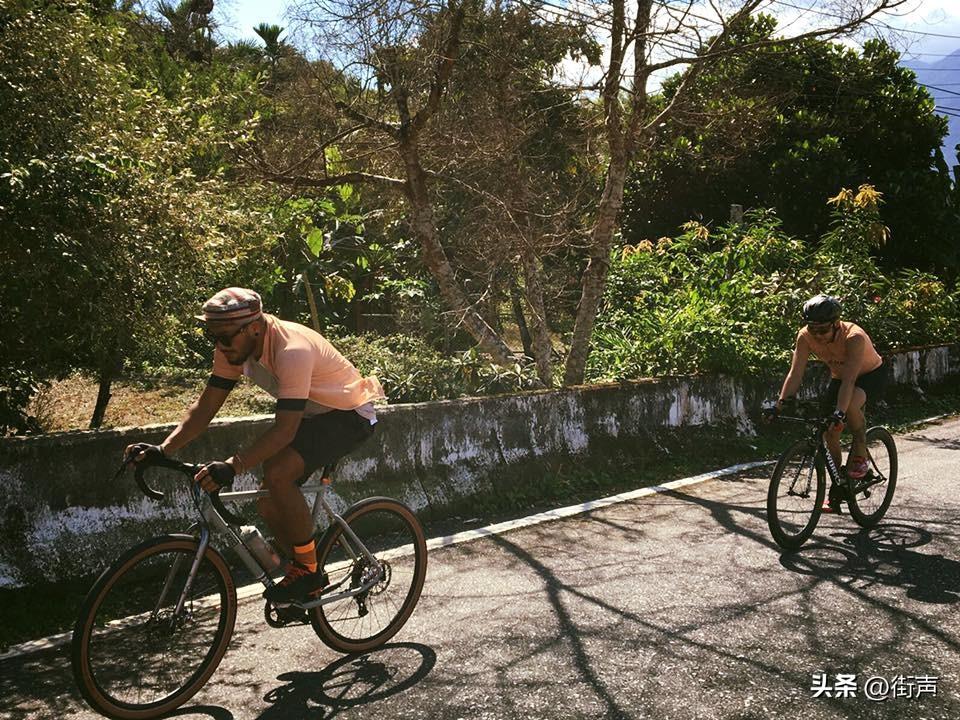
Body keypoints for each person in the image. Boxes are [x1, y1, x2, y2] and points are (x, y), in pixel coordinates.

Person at [126, 288, 384, 603]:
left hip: (348, 413)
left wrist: (233, 465)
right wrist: (163, 449)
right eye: (213, 336)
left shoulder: (292, 350)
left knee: (278, 473)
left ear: (255, 327)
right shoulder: (233, 345)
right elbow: (205, 407)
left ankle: (308, 570)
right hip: (312, 413)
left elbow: (285, 430)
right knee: (266, 499)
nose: (219, 344)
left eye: (225, 337)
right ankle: (304, 572)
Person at [773, 294, 885, 513]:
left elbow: (850, 381)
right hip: (839, 377)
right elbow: (795, 373)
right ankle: (838, 487)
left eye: (823, 330)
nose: (818, 336)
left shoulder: (854, 337)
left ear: (836, 324)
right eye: (813, 329)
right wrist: (779, 405)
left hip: (869, 374)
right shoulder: (805, 336)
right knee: (829, 432)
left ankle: (860, 453)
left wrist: (840, 412)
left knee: (849, 406)